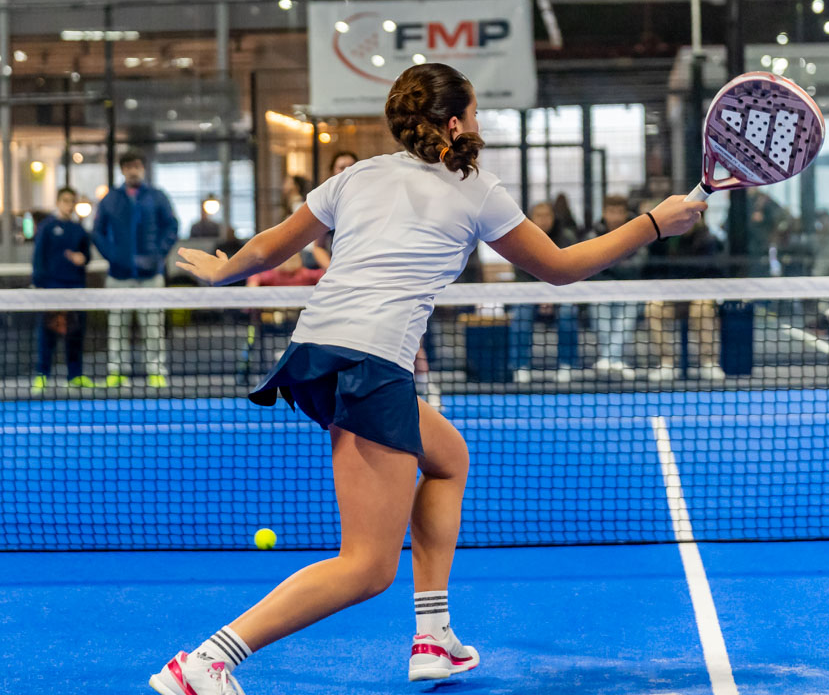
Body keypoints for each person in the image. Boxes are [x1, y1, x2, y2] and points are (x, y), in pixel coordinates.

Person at [158, 62, 706, 694]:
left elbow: (267, 247)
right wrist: (654, 223)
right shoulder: (477, 190)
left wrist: (222, 270)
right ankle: (205, 663)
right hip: (369, 363)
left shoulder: (357, 175)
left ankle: (433, 636)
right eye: (473, 113)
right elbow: (559, 267)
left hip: (318, 354)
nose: (479, 123)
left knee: (448, 458)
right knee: (366, 568)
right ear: (452, 124)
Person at [92, 150, 179, 388]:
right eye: (129, 167)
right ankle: (117, 371)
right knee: (117, 327)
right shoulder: (110, 199)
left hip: (151, 276)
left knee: (153, 327)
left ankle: (156, 371)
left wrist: (157, 256)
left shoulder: (158, 197)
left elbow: (172, 227)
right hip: (118, 276)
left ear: (143, 168)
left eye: (137, 166)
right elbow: (97, 232)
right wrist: (114, 257)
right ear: (122, 170)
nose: (133, 171)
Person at [644, 209, 725, 382]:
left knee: (702, 309)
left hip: (698, 297)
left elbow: (712, 271)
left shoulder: (708, 240)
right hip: (671, 298)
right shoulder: (663, 240)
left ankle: (708, 362)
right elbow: (652, 269)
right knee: (653, 308)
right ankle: (666, 363)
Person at [31, 187, 93, 393]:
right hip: (52, 289)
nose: (69, 205)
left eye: (72, 201)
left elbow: (87, 256)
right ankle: (42, 375)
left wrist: (82, 259)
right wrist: (39, 284)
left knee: (75, 334)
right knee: (47, 334)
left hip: (76, 289)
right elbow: (38, 257)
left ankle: (75, 376)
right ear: (58, 202)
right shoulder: (47, 227)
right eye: (65, 200)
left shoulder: (79, 229)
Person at [509, 200, 579, 383]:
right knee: (521, 313)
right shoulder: (521, 239)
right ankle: (520, 366)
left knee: (568, 311)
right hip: (530, 296)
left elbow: (571, 270)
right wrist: (540, 296)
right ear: (531, 218)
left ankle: (567, 365)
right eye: (539, 216)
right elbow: (521, 275)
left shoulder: (567, 238)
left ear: (554, 218)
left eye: (547, 215)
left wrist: (552, 297)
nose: (543, 219)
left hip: (561, 295)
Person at [585, 194, 646, 379]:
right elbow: (589, 264)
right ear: (604, 213)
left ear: (625, 213)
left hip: (629, 290)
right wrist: (615, 262)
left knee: (626, 316)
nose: (615, 217)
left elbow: (638, 264)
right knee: (600, 312)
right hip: (601, 290)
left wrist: (606, 261)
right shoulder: (593, 234)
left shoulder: (638, 232)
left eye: (619, 212)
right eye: (611, 212)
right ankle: (614, 360)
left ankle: (609, 358)